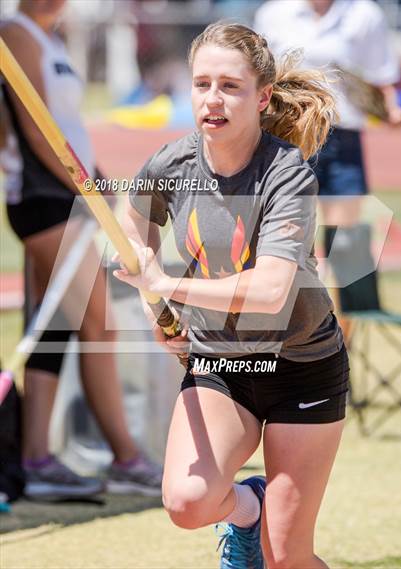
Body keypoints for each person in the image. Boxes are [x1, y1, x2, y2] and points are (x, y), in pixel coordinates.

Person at [115, 22, 349, 569]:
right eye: (201, 85)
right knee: (187, 503)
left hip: (300, 366)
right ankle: (248, 508)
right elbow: (133, 227)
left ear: (262, 96)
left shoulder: (286, 174)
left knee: (287, 557)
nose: (211, 100)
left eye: (230, 86)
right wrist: (152, 289)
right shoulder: (172, 163)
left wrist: (166, 284)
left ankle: (267, 526)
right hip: (220, 361)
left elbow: (270, 290)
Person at [0, 0, 161, 498]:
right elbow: (35, 128)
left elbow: (67, 126)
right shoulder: (16, 30)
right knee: (96, 321)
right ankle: (127, 458)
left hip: (67, 192)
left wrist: (99, 179)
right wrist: (83, 188)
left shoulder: (52, 39)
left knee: (56, 324)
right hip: (44, 196)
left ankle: (37, 458)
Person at [254, 0, 401, 336]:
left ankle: (343, 344)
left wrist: (390, 109)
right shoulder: (274, 13)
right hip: (287, 135)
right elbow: (259, 77)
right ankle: (284, 331)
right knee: (285, 234)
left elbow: (381, 77)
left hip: (342, 135)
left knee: (346, 243)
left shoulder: (364, 14)